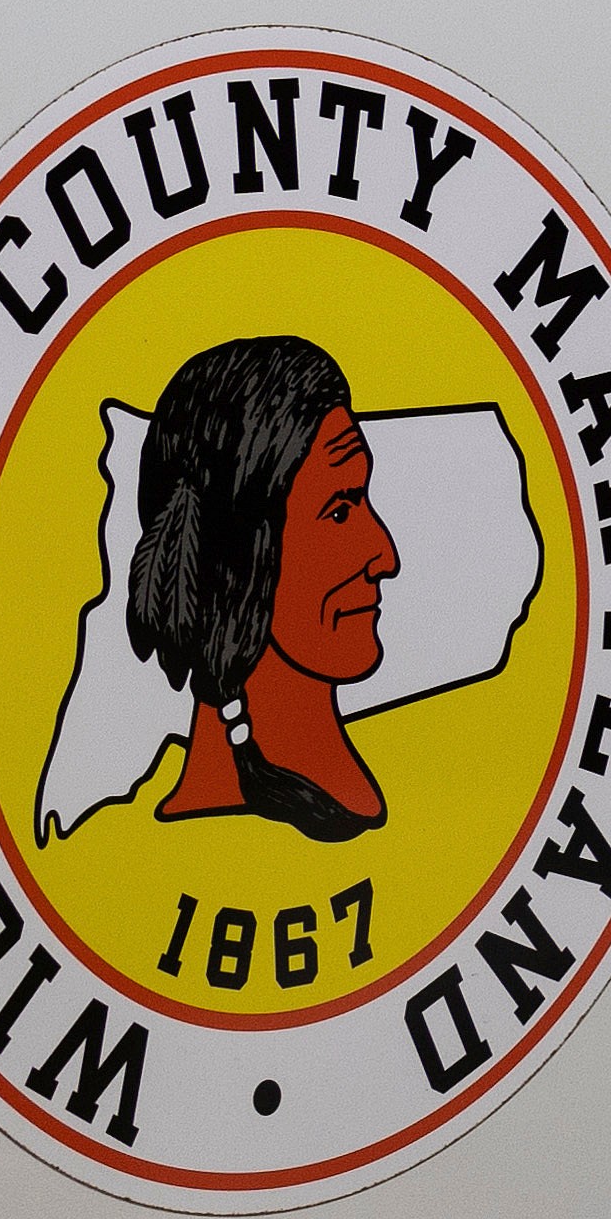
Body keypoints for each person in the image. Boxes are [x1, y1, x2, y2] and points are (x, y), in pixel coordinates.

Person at [130, 332, 402, 844]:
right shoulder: (127, 853)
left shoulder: (428, 748)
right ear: (239, 561)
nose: (384, 557)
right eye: (340, 510)